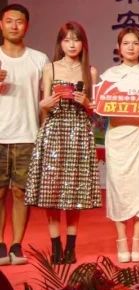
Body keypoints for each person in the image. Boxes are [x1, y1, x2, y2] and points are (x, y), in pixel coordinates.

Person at [24, 21, 96, 265]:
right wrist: (43, 105)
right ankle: (55, 246)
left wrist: (87, 103)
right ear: (60, 43)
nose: (72, 44)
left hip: (79, 132)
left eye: (76, 39)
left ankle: (71, 247)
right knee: (51, 191)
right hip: (54, 131)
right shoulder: (50, 68)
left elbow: (94, 113)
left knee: (75, 192)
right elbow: (43, 106)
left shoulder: (90, 71)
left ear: (83, 43)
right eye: (67, 40)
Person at [101, 28, 139, 263]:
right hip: (117, 136)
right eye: (126, 43)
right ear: (119, 47)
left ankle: (137, 238)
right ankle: (121, 239)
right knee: (118, 186)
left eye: (135, 43)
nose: (130, 47)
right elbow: (102, 105)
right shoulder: (109, 75)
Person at [0, 3, 49, 266]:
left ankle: (17, 245)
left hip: (28, 135)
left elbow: (47, 100)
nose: (14, 26)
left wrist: (44, 133)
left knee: (20, 193)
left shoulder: (39, 59)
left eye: (19, 21)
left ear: (27, 26)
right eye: (9, 21)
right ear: (1, 25)